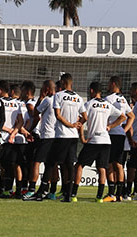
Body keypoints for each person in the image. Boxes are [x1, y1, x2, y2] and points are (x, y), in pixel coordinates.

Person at [71, 81, 125, 202]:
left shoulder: (89, 104)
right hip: (106, 141)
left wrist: (82, 137)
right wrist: (110, 126)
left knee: (79, 165)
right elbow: (123, 117)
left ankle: (73, 194)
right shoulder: (107, 105)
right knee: (102, 168)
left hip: (94, 140)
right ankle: (99, 196)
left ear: (91, 91)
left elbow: (82, 120)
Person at [52, 73, 84, 203]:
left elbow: (58, 115)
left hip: (62, 135)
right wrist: (78, 124)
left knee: (58, 163)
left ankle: (57, 191)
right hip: (73, 136)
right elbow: (85, 116)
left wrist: (70, 125)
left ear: (63, 82)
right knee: (70, 165)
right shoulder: (78, 98)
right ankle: (69, 194)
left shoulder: (58, 96)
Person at [24, 79, 56, 201]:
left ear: (46, 89)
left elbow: (35, 113)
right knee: (51, 164)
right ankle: (50, 190)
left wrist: (41, 97)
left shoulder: (47, 100)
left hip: (46, 136)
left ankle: (32, 189)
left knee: (36, 162)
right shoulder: (59, 100)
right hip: (56, 136)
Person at [104, 76, 134, 202]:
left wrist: (110, 126)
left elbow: (105, 115)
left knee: (110, 164)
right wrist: (124, 130)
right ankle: (119, 194)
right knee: (119, 164)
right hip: (120, 136)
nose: (107, 86)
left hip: (111, 134)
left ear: (113, 84)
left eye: (108, 83)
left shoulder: (109, 99)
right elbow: (131, 116)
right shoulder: (123, 99)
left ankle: (111, 193)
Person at [19, 80, 38, 197]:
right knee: (30, 163)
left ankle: (27, 188)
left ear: (27, 92)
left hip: (32, 136)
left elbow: (36, 118)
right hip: (36, 135)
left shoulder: (29, 105)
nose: (20, 93)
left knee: (28, 163)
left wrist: (28, 131)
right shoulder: (36, 102)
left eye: (22, 90)